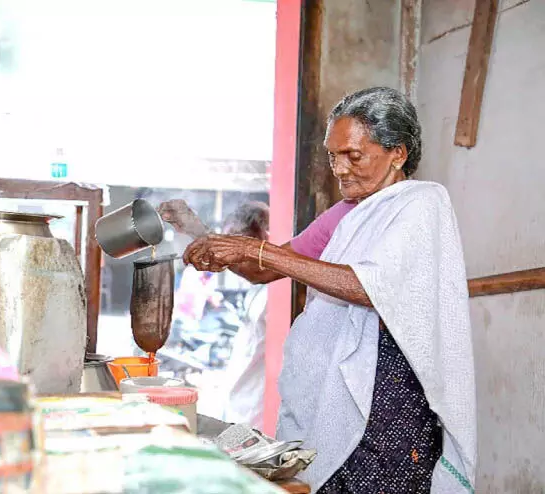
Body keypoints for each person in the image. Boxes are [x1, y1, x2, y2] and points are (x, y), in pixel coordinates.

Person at [177, 87, 476, 493]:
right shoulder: (346, 214)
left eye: (354, 155)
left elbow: (368, 285)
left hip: (388, 411)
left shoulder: (421, 203)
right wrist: (217, 248)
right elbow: (266, 270)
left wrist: (254, 248)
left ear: (398, 153)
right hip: (334, 402)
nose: (340, 169)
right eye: (333, 156)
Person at [160, 201, 271, 429]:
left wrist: (196, 230)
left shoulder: (276, 287)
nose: (231, 255)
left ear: (260, 238)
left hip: (257, 408)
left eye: (236, 242)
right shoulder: (259, 289)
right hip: (238, 399)